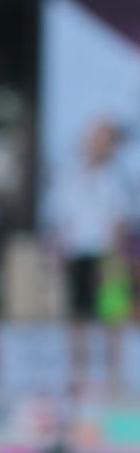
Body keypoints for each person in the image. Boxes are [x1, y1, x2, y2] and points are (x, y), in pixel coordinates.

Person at [48, 118, 133, 396]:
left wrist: (118, 258)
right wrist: (57, 250)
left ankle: (114, 378)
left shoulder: (118, 177)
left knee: (112, 316)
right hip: (78, 252)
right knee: (77, 316)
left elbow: (122, 220)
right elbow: (60, 218)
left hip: (109, 255)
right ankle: (78, 377)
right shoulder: (69, 175)